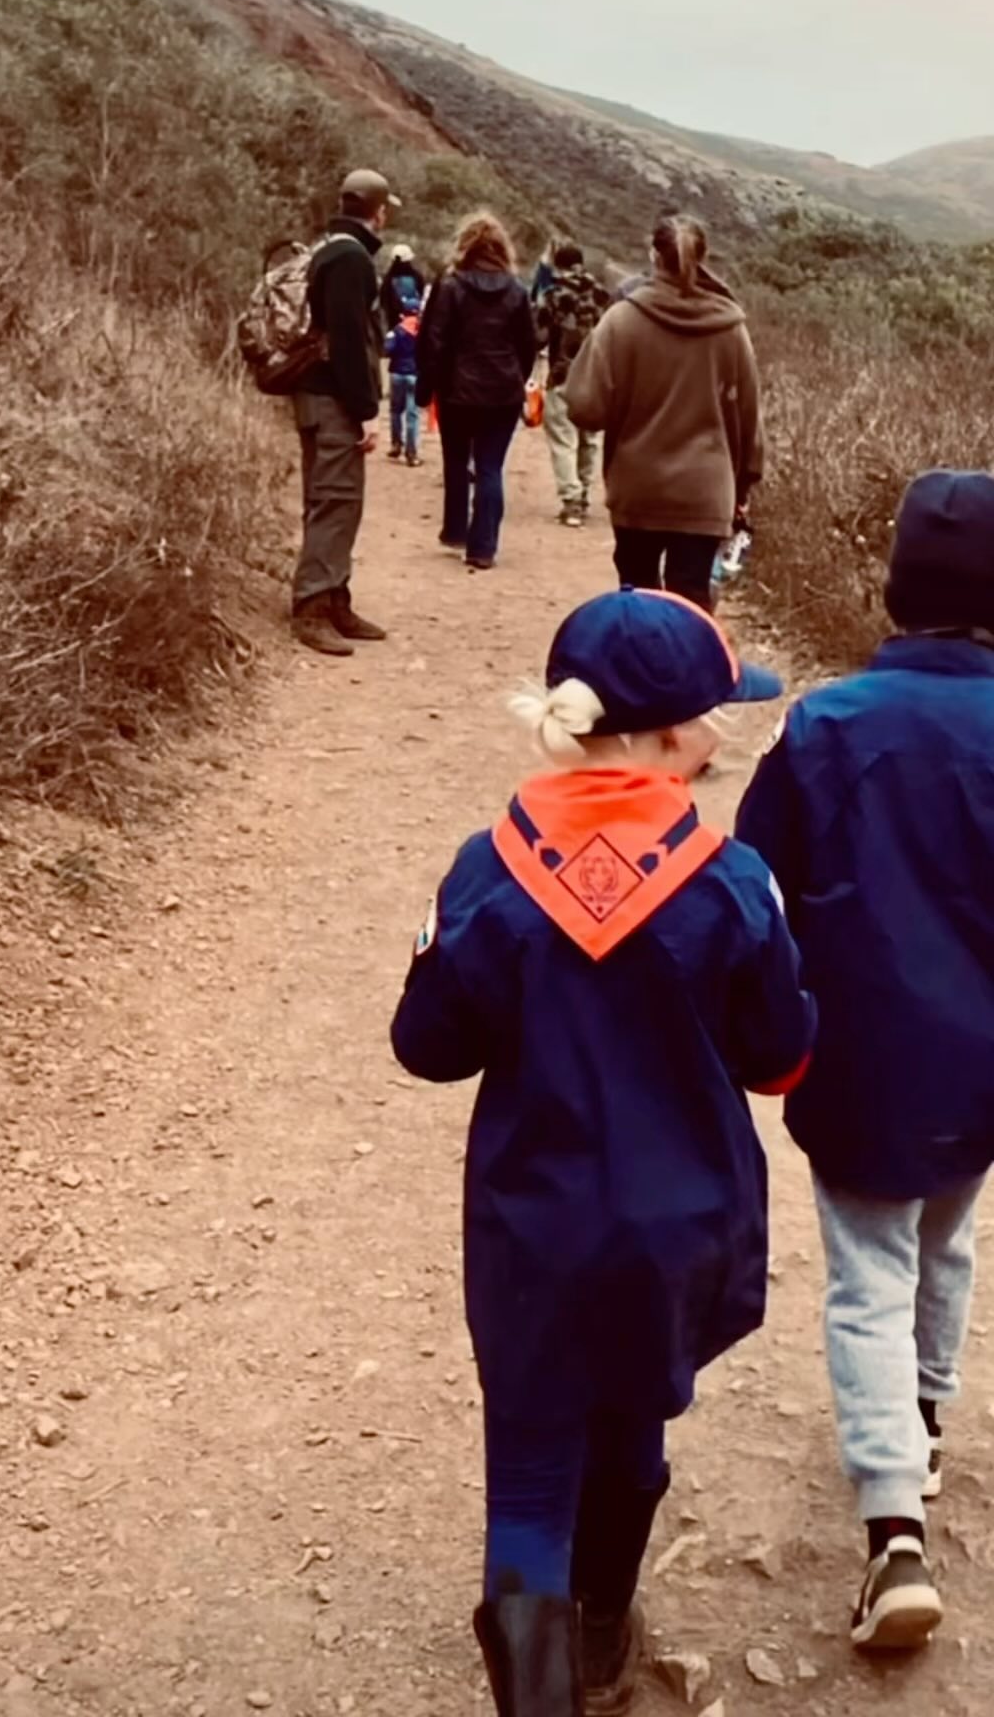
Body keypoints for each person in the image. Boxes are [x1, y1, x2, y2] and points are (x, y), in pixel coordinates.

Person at [391, 590, 815, 1717]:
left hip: (533, 1227)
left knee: (530, 1469)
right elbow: (780, 1061)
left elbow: (426, 1048)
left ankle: (541, 1686)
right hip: (677, 1232)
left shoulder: (487, 871)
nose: (730, 731)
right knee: (633, 1424)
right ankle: (602, 1635)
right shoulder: (732, 881)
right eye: (721, 713)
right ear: (669, 738)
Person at [736, 469, 994, 1656]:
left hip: (863, 1053)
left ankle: (894, 1531)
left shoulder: (827, 722)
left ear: (897, 585)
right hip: (983, 1061)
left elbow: (755, 880)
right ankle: (926, 1423)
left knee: (866, 1276)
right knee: (949, 1236)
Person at [565, 215, 762, 610]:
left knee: (637, 601)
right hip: (706, 492)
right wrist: (743, 483)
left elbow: (585, 406)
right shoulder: (731, 329)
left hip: (638, 487)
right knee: (690, 606)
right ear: (704, 258)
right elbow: (748, 418)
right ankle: (687, 669)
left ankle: (639, 670)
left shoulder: (621, 321)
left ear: (653, 255)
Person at [291, 168, 396, 658]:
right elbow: (350, 343)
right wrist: (366, 410)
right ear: (378, 210)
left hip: (315, 397)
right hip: (333, 402)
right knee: (335, 500)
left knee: (332, 498)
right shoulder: (351, 259)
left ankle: (335, 598)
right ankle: (313, 607)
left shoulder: (325, 249)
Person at [416, 213, 536, 571]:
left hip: (457, 391)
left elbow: (433, 339)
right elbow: (527, 346)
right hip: (503, 393)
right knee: (489, 467)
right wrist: (516, 378)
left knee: (456, 460)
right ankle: (483, 547)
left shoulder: (450, 285)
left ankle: (455, 529)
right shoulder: (516, 291)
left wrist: (429, 385)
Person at [537, 242, 612, 529]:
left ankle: (571, 500)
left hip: (563, 374)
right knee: (589, 439)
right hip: (597, 376)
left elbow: (539, 336)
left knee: (563, 438)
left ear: (559, 266)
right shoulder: (602, 296)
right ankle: (583, 495)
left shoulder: (554, 295)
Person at [385, 309, 421, 466]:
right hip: (414, 375)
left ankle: (396, 444)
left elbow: (388, 349)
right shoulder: (422, 330)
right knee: (412, 416)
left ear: (403, 314)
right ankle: (411, 453)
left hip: (397, 375)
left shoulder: (396, 331)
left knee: (395, 411)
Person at [380, 243, 426, 331]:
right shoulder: (417, 276)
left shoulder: (388, 278)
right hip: (413, 322)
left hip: (394, 323)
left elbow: (383, 301)